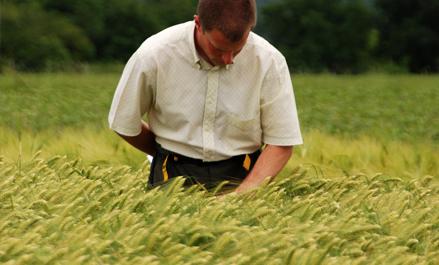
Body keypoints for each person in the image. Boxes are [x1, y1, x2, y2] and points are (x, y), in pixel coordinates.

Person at [108, 0, 302, 194]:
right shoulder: (153, 55)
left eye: (237, 49)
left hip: (244, 173)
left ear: (250, 28)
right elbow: (123, 122)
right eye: (218, 48)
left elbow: (281, 142)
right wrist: (164, 152)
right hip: (171, 172)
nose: (229, 60)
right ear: (198, 24)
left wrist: (242, 196)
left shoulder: (270, 61)